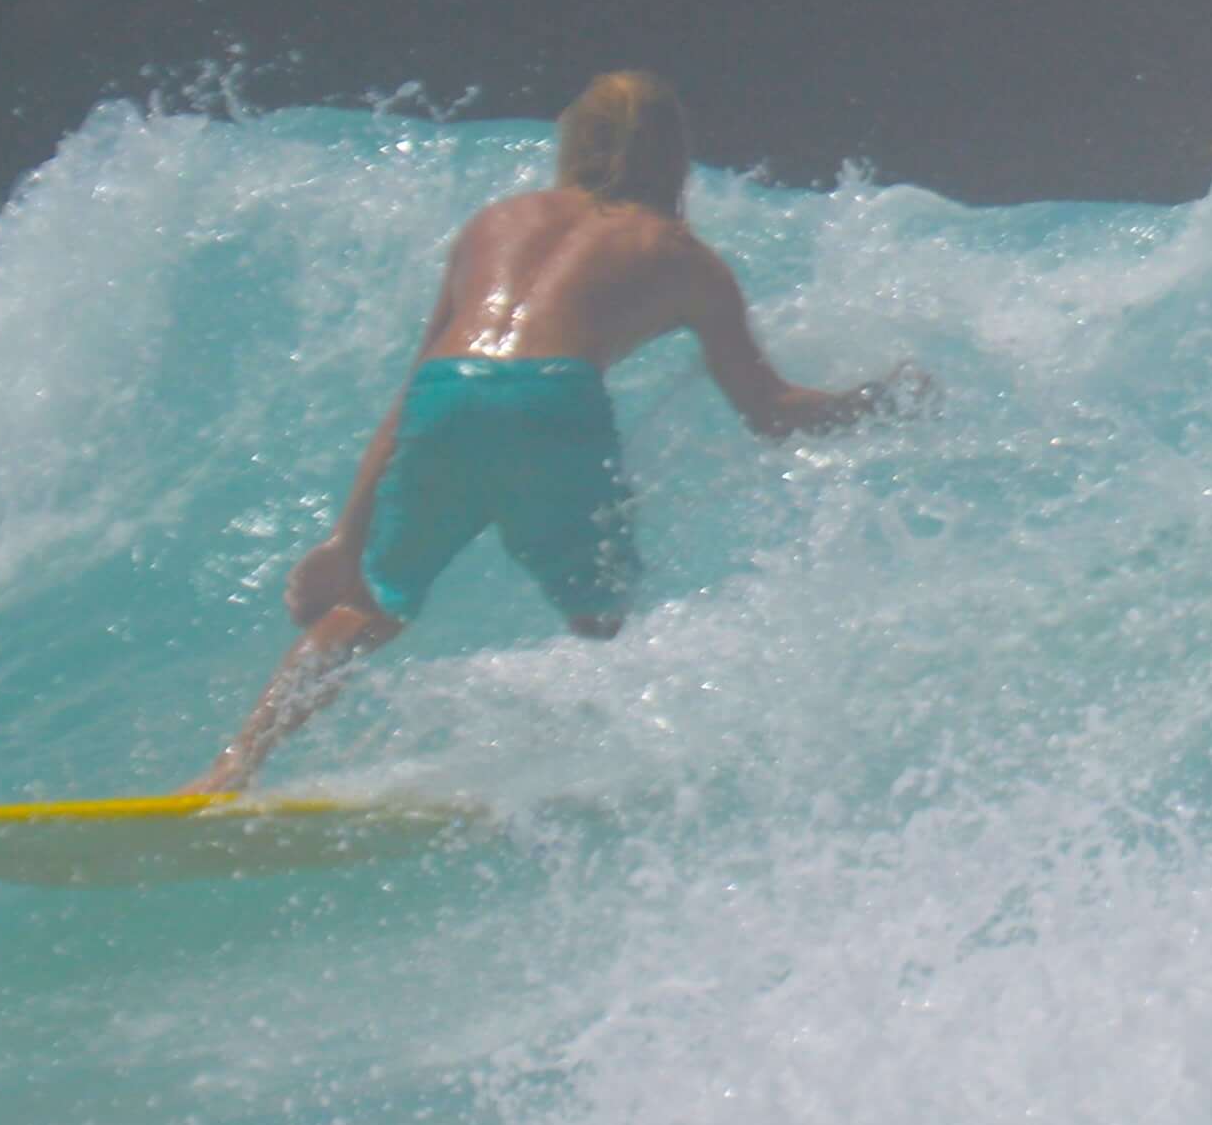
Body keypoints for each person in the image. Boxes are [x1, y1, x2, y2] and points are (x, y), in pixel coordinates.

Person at [195, 71, 902, 793]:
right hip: (555, 402)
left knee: (367, 607)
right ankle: (566, 760)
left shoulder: (495, 223)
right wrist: (877, 404)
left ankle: (233, 766)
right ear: (675, 157)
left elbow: (413, 393)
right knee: (600, 618)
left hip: (448, 394)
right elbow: (770, 413)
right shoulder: (683, 256)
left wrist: (346, 541)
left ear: (574, 141)